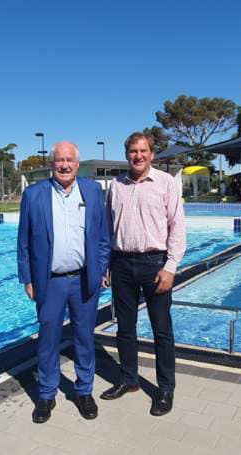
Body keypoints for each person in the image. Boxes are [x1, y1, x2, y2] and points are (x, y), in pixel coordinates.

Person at [17, 141, 110, 424]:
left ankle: (84, 391)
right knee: (48, 339)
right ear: (52, 163)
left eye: (69, 160)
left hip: (84, 278)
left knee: (84, 337)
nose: (64, 165)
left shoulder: (92, 190)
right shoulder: (34, 195)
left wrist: (102, 267)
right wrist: (27, 278)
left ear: (77, 163)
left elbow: (103, 235)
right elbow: (23, 241)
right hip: (50, 281)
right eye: (59, 160)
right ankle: (46, 394)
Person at [101, 131, 185, 417]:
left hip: (154, 264)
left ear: (152, 153)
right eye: (133, 151)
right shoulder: (115, 185)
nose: (138, 156)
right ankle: (129, 379)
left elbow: (177, 227)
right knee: (125, 327)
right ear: (127, 154)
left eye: (143, 151)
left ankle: (165, 388)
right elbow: (108, 228)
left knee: (161, 330)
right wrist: (106, 264)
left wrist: (170, 267)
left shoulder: (166, 183)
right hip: (122, 263)